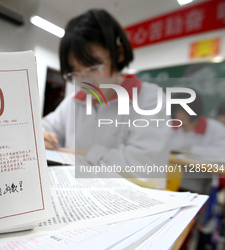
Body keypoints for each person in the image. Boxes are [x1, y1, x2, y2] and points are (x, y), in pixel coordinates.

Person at [42, 9, 172, 189]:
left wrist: (86, 154)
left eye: (93, 67)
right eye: (75, 72)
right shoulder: (74, 101)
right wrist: (42, 136)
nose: (84, 80)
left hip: (134, 202)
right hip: (81, 194)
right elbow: (44, 128)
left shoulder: (148, 99)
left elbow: (145, 167)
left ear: (118, 54)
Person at [170, 92, 225, 159]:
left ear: (195, 110)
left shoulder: (215, 128)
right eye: (176, 112)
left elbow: (222, 153)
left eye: (184, 112)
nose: (180, 116)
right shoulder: (171, 127)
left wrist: (191, 151)